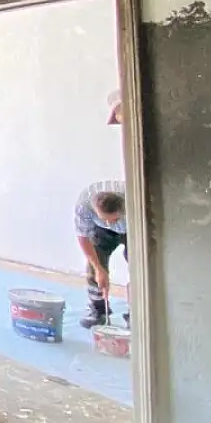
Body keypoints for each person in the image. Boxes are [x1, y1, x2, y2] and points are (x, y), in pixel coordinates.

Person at [76, 90, 129, 328]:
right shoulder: (84, 205)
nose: (110, 223)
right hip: (100, 234)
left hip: (131, 229)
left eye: (113, 219)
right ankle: (98, 310)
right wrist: (99, 269)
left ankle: (137, 313)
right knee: (93, 265)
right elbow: (83, 237)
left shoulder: (132, 199)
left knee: (140, 265)